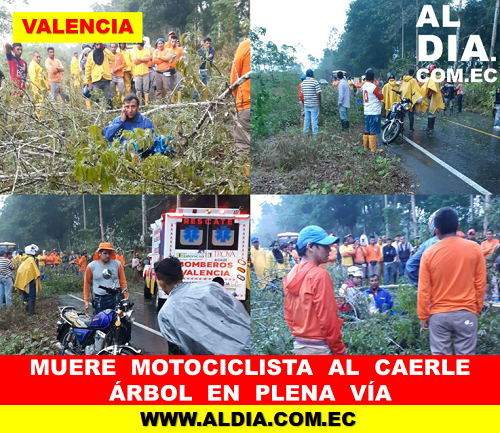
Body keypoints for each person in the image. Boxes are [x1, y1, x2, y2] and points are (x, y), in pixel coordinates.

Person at [418, 207, 486, 355]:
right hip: (466, 312)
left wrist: (423, 316)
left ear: (436, 231)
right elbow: (480, 284)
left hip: (439, 316)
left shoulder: (429, 253)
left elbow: (424, 289)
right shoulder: (475, 248)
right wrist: (477, 308)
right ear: (458, 226)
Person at [156, 256, 250, 355]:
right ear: (182, 275)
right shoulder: (211, 287)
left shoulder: (166, 313)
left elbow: (177, 350)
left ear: (161, 284)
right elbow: (236, 313)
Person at [282, 226, 346, 355]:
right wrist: (339, 350)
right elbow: (328, 319)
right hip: (320, 348)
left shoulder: (290, 275)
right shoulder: (319, 275)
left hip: (300, 346)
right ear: (310, 246)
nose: (330, 249)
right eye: (325, 246)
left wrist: (301, 336)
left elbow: (289, 316)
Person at [84, 242, 127, 314]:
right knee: (102, 323)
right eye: (105, 253)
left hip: (116, 298)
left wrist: (125, 298)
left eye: (109, 253)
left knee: (122, 320)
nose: (108, 255)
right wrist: (86, 301)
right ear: (99, 253)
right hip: (100, 300)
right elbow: (87, 284)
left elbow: (123, 282)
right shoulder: (91, 266)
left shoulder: (117, 264)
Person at [231, 38, 251, 157]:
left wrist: (237, 99)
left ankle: (244, 174)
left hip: (246, 103)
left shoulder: (245, 46)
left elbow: (234, 80)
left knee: (243, 149)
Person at [85, 43, 115, 109]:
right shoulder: (91, 55)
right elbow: (88, 68)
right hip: (96, 80)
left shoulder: (105, 53)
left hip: (106, 79)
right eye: (96, 44)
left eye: (99, 44)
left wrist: (105, 49)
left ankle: (110, 114)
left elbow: (113, 58)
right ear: (94, 45)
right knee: (96, 99)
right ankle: (98, 116)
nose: (98, 45)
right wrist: (86, 80)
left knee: (108, 98)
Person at [14, 244, 41, 316]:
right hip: (29, 280)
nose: (37, 253)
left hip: (24, 281)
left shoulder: (25, 259)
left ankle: (24, 312)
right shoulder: (31, 260)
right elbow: (35, 272)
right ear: (32, 251)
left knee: (25, 296)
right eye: (36, 252)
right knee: (31, 296)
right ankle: (31, 313)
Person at [361, 68, 384, 152]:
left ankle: (366, 147)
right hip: (374, 111)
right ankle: (373, 150)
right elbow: (381, 97)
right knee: (373, 130)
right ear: (374, 77)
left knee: (367, 129)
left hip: (366, 111)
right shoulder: (373, 87)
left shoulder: (364, 86)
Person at [419, 65, 444, 132]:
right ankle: (431, 127)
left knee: (430, 112)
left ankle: (429, 128)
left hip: (431, 97)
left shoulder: (433, 78)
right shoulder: (435, 77)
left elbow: (432, 88)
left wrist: (428, 95)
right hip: (434, 97)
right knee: (432, 113)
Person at [301, 69, 322, 136]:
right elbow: (318, 93)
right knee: (314, 120)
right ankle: (315, 134)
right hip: (314, 104)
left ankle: (305, 133)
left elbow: (302, 93)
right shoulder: (315, 82)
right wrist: (319, 102)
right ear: (312, 75)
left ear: (306, 75)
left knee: (306, 120)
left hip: (306, 104)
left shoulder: (303, 83)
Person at [481, 229, 499, 301]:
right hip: (484, 263)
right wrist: (491, 248)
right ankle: (485, 295)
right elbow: (481, 252)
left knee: (494, 280)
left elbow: (495, 251)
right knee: (485, 280)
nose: (488, 235)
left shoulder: (496, 241)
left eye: (490, 234)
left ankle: (495, 296)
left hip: (494, 263)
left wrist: (486, 251)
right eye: (487, 234)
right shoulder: (483, 243)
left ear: (492, 234)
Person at [165, 35, 184, 103]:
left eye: (175, 42)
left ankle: (179, 101)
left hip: (177, 69)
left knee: (178, 85)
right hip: (170, 69)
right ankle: (172, 101)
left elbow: (182, 60)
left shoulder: (180, 49)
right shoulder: (168, 50)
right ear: (170, 41)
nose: (173, 43)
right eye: (172, 41)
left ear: (176, 42)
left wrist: (180, 68)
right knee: (171, 86)